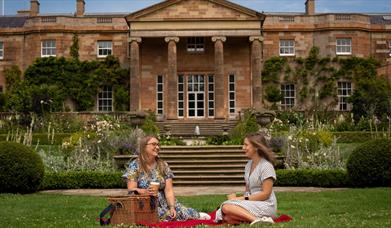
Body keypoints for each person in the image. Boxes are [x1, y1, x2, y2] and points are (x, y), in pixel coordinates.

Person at [122, 135, 211, 221]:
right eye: (153, 144)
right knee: (163, 215)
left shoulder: (163, 165)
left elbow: (168, 190)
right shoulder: (135, 165)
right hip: (145, 202)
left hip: (164, 200)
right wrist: (144, 191)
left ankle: (197, 215)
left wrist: (172, 207)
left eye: (158, 145)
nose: (157, 147)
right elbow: (131, 189)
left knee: (179, 213)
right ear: (144, 147)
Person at [215, 132, 277, 225]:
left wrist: (241, 199)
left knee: (226, 207)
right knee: (227, 217)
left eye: (246, 145)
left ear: (256, 147)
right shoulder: (248, 165)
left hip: (266, 204)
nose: (243, 148)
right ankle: (259, 219)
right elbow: (247, 191)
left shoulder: (266, 166)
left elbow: (265, 194)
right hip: (253, 203)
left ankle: (256, 220)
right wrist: (237, 199)